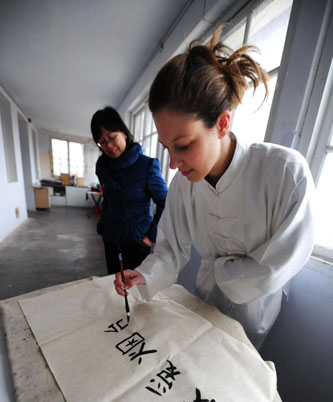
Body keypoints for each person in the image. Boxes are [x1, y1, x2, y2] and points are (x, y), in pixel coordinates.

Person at [114, 28, 314, 350]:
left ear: (222, 124)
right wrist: (145, 276)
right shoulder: (183, 187)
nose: (173, 164)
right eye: (166, 147)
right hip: (203, 304)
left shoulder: (285, 173)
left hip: (256, 311)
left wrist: (221, 269)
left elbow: (278, 262)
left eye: (183, 145)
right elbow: (170, 248)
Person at [91, 106, 168, 274]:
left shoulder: (146, 166)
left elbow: (165, 202)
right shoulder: (102, 166)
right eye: (102, 142)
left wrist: (150, 236)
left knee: (135, 290)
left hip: (137, 241)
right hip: (111, 238)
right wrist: (103, 225)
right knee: (113, 283)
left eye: (112, 137)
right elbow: (108, 199)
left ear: (124, 133)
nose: (109, 145)